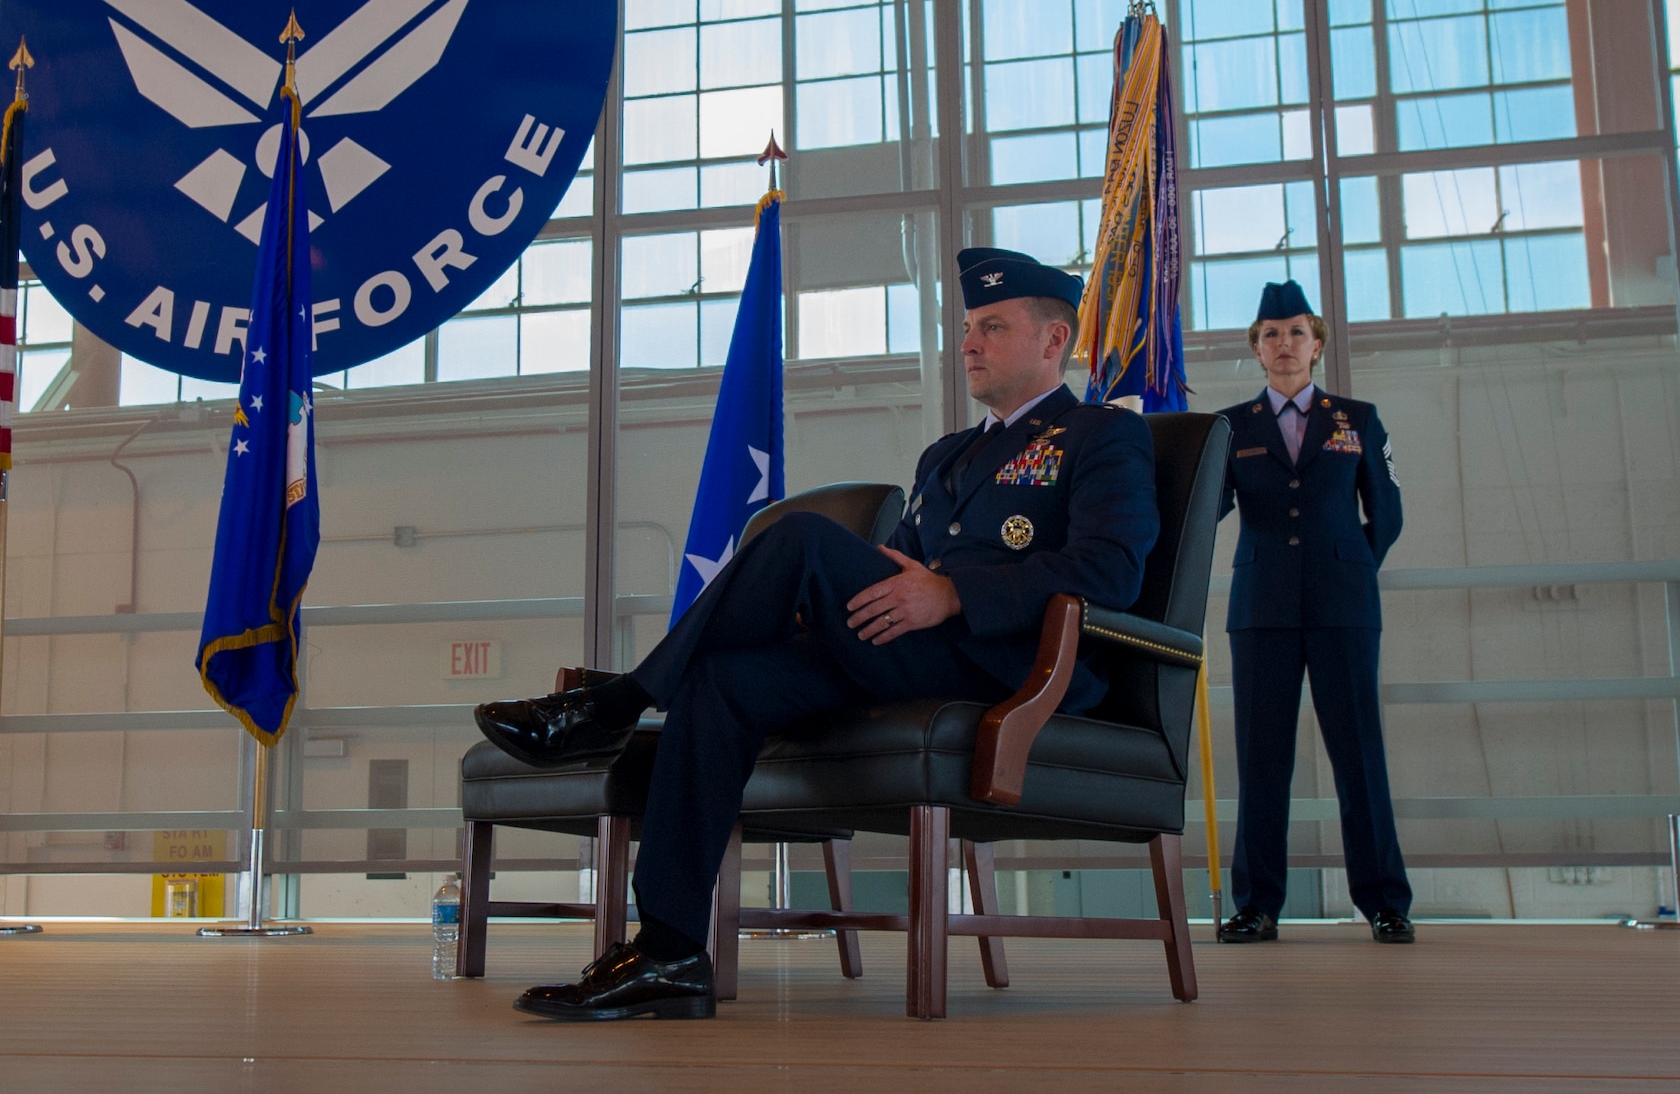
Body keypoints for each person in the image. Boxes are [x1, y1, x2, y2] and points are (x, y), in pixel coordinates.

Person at [473, 248, 1160, 1020]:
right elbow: (898, 559)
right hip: (909, 655)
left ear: (1052, 340)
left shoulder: (1101, 436)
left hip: (1008, 664)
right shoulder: (949, 456)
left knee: (801, 537)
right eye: (968, 326)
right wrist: (826, 603)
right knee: (721, 683)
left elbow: (1109, 574)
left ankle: (617, 705)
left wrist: (952, 592)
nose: (968, 342)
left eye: (992, 327)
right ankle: (668, 950)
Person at [1214, 279, 1412, 947]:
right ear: (1257, 349)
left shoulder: (1360, 419)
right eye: (1270, 334)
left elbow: (1387, 509)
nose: (1284, 343)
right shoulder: (1231, 427)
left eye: (1296, 331)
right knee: (1261, 759)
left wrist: (1351, 565)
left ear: (1316, 343)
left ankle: (1385, 902)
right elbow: (1206, 509)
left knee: (1359, 753)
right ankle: (1257, 906)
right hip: (1261, 604)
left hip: (1343, 603)